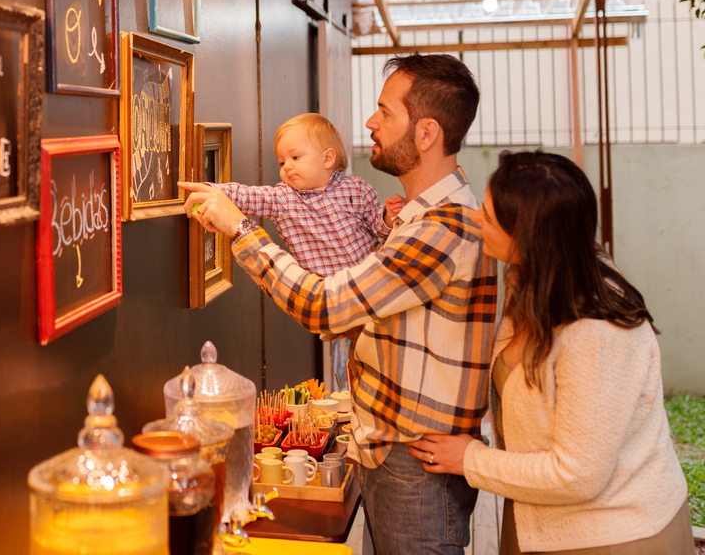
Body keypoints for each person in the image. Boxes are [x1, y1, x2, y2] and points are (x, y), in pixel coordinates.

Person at [182, 53, 497, 554]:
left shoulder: (442, 228)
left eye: (385, 111)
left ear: (426, 133)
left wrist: (239, 229)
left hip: (416, 466)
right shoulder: (415, 222)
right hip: (398, 454)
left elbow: (326, 307)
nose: (370, 123)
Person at [408, 151, 694, 555]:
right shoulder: (533, 278)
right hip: (539, 519)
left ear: (528, 237)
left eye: (488, 218)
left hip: (612, 536)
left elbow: (577, 475)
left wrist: (470, 459)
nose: (475, 220)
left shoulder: (595, 331)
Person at [206, 112, 404, 277]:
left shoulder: (357, 189)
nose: (287, 167)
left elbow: (378, 227)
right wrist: (208, 190)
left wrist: (388, 216)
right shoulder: (284, 199)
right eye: (282, 162)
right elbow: (246, 195)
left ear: (327, 159)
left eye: (295, 157)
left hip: (374, 277)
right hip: (330, 295)